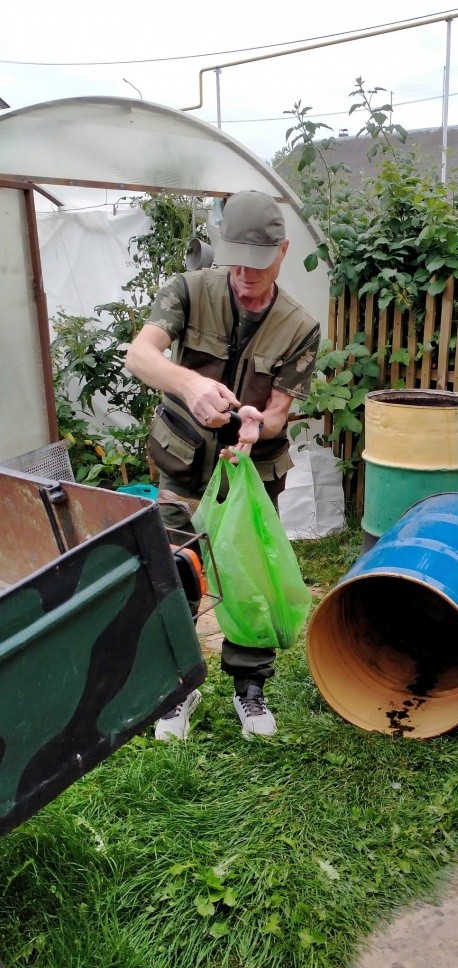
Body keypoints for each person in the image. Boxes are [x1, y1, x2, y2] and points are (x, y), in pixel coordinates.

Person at [125, 190, 320, 741]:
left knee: (247, 579)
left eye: (258, 263)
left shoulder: (299, 326)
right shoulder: (187, 290)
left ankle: (249, 690)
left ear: (283, 253)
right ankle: (177, 688)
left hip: (249, 475)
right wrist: (189, 384)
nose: (244, 273)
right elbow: (140, 355)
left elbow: (280, 413)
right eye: (234, 257)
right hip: (182, 465)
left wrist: (260, 424)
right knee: (173, 574)